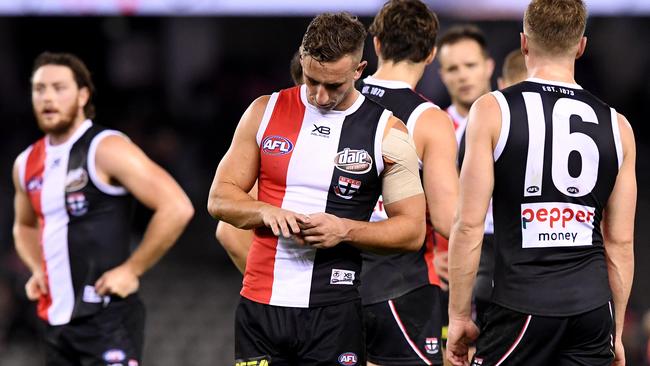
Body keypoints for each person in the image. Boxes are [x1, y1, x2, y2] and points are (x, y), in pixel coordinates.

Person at [207, 12, 426, 366]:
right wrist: (265, 210)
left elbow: (412, 231)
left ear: (359, 70)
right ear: (302, 59)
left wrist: (344, 230)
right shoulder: (264, 110)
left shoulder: (388, 132)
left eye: (334, 86)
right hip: (260, 309)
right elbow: (219, 198)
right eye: (311, 81)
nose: (320, 96)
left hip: (333, 312)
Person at [446, 0, 636, 365]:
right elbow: (621, 242)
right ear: (581, 46)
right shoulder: (619, 127)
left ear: (524, 43)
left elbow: (468, 225)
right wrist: (616, 333)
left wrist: (458, 316)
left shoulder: (491, 110)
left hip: (521, 306)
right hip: (592, 310)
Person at [12, 52, 194, 365]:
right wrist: (37, 268)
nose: (48, 97)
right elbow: (25, 225)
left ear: (83, 95)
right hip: (54, 323)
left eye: (59, 87)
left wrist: (132, 269)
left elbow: (176, 206)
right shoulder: (26, 162)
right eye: (39, 89)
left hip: (107, 318)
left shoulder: (106, 147)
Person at [358, 1, 458, 365]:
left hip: (327, 287)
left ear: (378, 44)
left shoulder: (332, 100)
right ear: (431, 54)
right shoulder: (429, 120)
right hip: (400, 287)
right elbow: (450, 221)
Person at [215, 51, 303, 275]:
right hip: (302, 294)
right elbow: (228, 231)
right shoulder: (288, 146)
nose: (322, 97)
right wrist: (278, 288)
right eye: (314, 84)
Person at [435, 24, 496, 346]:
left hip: (510, 260)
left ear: (488, 66)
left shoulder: (518, 122)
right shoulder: (431, 129)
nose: (462, 76)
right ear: (442, 74)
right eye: (453, 68)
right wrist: (428, 253)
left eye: (470, 65)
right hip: (451, 267)